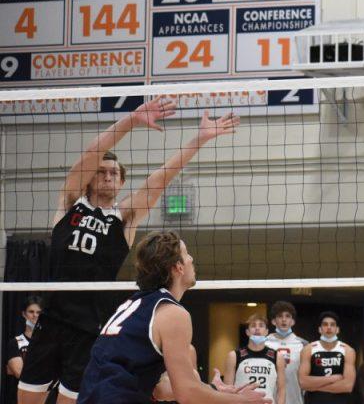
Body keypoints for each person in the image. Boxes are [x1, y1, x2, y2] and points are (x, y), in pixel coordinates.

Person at [20, 101, 241, 404]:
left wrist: (199, 139)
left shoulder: (123, 218)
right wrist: (132, 120)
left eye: (114, 173)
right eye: (101, 172)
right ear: (89, 178)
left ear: (122, 181)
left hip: (89, 328)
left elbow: (159, 180)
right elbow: (91, 153)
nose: (108, 177)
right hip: (52, 318)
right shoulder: (71, 202)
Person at [75, 230, 265, 403]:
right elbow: (187, 395)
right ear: (178, 267)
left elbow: (162, 390)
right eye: (186, 254)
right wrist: (244, 401)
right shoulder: (172, 313)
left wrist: (214, 390)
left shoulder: (133, 305)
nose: (191, 259)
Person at [221, 315, 286, 404]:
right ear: (247, 332)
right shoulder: (234, 356)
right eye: (253, 325)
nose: (257, 328)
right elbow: (227, 391)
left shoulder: (277, 357)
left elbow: (281, 390)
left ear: (267, 331)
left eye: (261, 325)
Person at [299, 312, 356, 404]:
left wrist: (316, 387)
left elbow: (348, 386)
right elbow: (303, 383)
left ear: (337, 330)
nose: (329, 327)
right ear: (320, 329)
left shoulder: (348, 350)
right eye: (325, 324)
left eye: (332, 325)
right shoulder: (308, 349)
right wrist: (332, 379)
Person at [265, 301, 306, 404]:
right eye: (280, 316)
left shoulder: (303, 345)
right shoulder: (264, 343)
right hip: (268, 400)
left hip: (295, 399)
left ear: (292, 321)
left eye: (287, 316)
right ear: (274, 321)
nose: (284, 320)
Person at [6, 296, 43, 380]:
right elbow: (20, 374)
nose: (35, 315)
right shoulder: (15, 343)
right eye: (31, 312)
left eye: (39, 312)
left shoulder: (51, 342)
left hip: (47, 392)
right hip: (22, 391)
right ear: (24, 314)